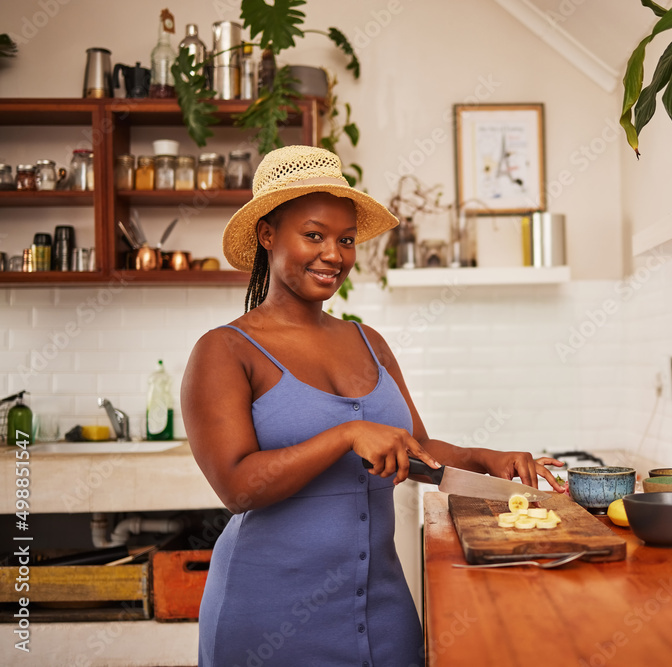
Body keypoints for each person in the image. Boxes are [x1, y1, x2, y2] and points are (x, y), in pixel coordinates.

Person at [181, 145, 566, 667]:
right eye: (313, 235)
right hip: (268, 616)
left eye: (345, 240)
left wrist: (488, 460)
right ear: (267, 234)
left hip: (380, 609)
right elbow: (237, 486)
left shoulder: (368, 341)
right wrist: (345, 435)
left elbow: (417, 448)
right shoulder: (224, 350)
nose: (333, 254)